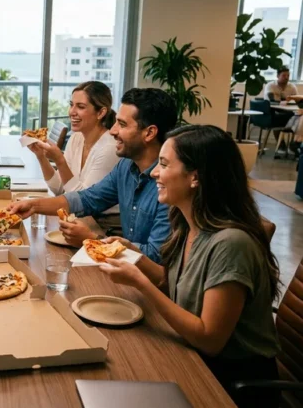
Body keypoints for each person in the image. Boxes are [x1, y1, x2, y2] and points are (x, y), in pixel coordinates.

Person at [98, 125, 280, 408]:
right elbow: (177, 285)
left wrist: (141, 284)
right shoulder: (187, 223)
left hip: (229, 384)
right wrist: (134, 255)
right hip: (193, 356)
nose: (155, 173)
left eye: (164, 164)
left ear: (195, 177)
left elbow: (210, 339)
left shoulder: (231, 244)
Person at [8, 88, 176, 262]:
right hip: (121, 267)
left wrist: (91, 241)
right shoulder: (126, 167)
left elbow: (155, 256)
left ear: (149, 133)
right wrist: (34, 206)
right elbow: (86, 198)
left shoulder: (169, 185)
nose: (113, 131)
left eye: (123, 124)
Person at [28, 81, 120, 225]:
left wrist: (60, 161)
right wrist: (41, 156)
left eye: (81, 107)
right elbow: (59, 189)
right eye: (71, 105)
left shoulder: (109, 148)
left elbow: (83, 202)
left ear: (101, 112)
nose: (72, 112)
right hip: (79, 218)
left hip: (102, 224)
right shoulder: (77, 137)